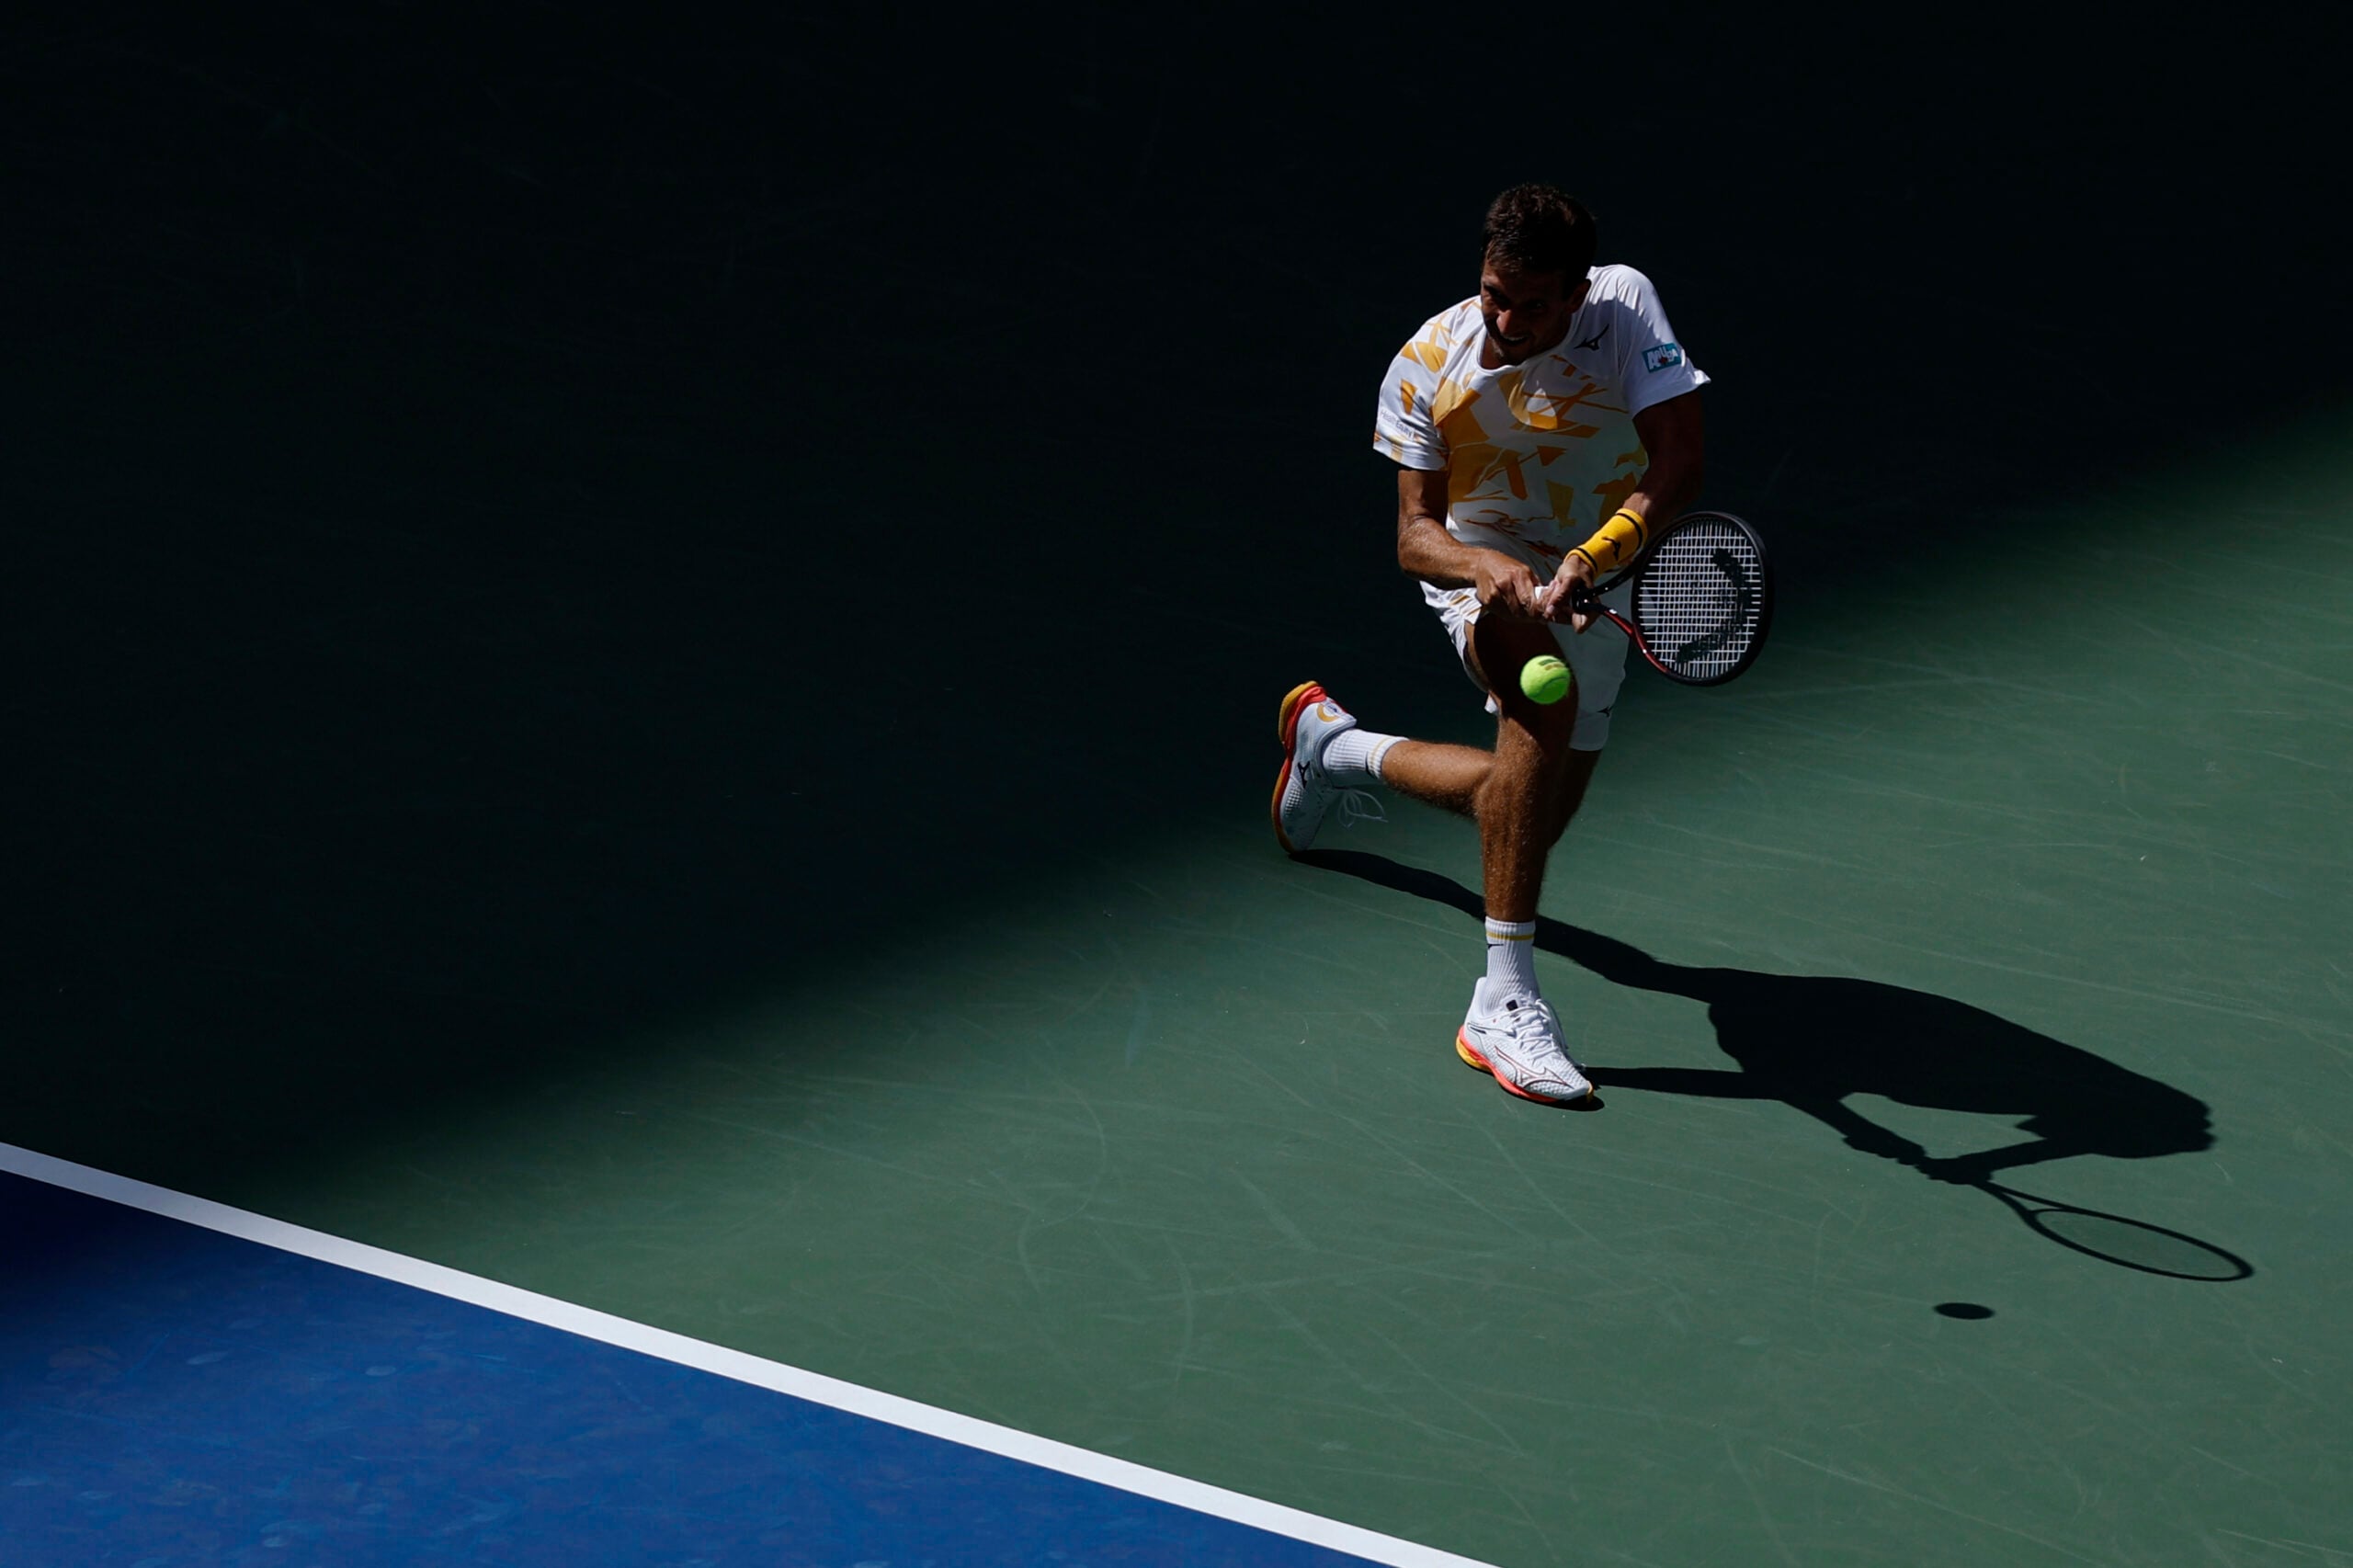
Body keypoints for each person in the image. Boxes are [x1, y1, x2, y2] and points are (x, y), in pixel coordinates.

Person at [1270, 182, 1709, 1105]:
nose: (1507, 317)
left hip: (1596, 570)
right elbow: (1412, 536)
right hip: (1486, 569)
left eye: (1533, 302)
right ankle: (1501, 1001)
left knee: (1529, 816)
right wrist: (1480, 568)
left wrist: (1598, 555)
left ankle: (1334, 747)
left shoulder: (1625, 310)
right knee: (1540, 707)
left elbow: (1677, 453)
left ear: (1578, 292)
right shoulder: (1429, 363)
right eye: (1492, 293)